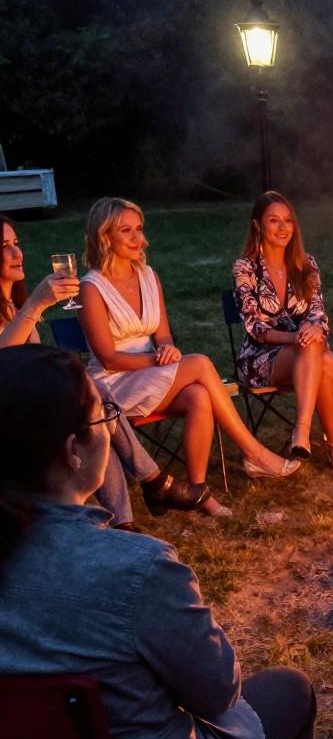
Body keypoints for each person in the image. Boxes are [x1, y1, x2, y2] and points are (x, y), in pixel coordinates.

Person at [0, 345, 316, 739]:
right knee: (290, 692)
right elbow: (217, 691)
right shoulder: (134, 569)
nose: (109, 429)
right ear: (71, 450)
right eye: (102, 418)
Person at [78, 198, 300, 519]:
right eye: (125, 231)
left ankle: (198, 496)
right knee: (198, 364)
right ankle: (253, 451)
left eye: (138, 229)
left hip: (151, 373)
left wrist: (168, 349)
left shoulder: (148, 275)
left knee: (198, 395)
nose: (136, 238)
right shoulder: (91, 287)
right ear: (103, 236)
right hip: (112, 386)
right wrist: (159, 360)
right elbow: (108, 358)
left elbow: (163, 335)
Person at [0, 214, 208, 529]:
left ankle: (124, 522)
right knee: (97, 401)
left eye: (17, 244)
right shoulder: (26, 308)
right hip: (12, 418)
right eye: (5, 247)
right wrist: (36, 304)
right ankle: (155, 483)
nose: (18, 254)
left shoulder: (13, 306)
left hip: (29, 409)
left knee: (97, 412)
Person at [232, 191, 333, 472]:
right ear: (257, 226)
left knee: (325, 358)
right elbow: (255, 327)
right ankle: (332, 444)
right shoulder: (246, 268)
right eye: (274, 221)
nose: (283, 227)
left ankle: (303, 432)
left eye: (288, 220)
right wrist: (297, 337)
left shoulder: (306, 264)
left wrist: (310, 332)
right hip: (261, 356)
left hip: (305, 351)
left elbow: (318, 314)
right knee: (322, 356)